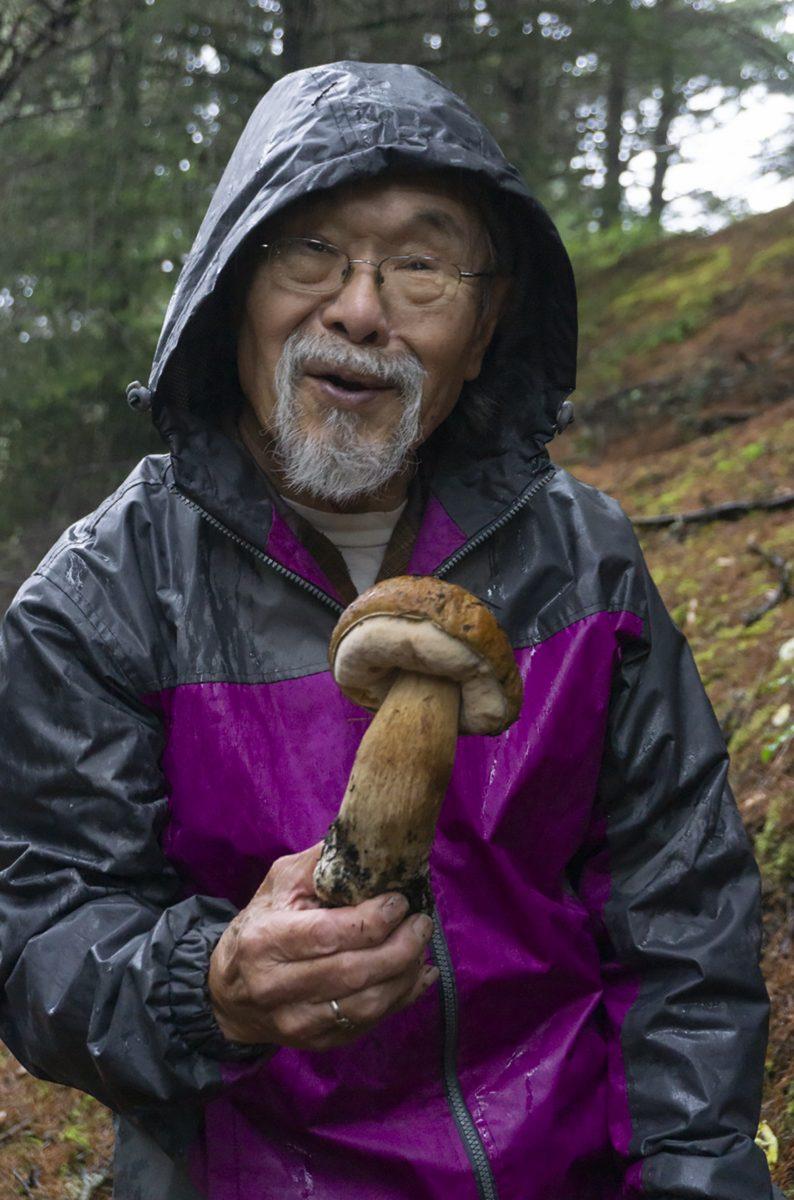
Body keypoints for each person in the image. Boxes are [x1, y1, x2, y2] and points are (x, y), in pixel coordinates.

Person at [0, 61, 779, 1200]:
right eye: (307, 249)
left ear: (484, 323)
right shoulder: (100, 599)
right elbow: (37, 933)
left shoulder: (583, 560)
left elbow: (684, 918)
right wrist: (204, 986)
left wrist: (697, 1172)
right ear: (232, 291)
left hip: (572, 1164)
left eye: (419, 264)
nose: (357, 308)